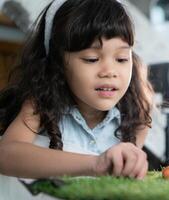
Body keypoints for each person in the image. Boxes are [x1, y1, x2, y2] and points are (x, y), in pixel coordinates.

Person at [0, 0, 154, 180]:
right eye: (91, 59)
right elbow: (6, 155)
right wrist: (96, 163)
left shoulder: (137, 117)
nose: (110, 72)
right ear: (58, 63)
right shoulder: (40, 105)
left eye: (121, 59)